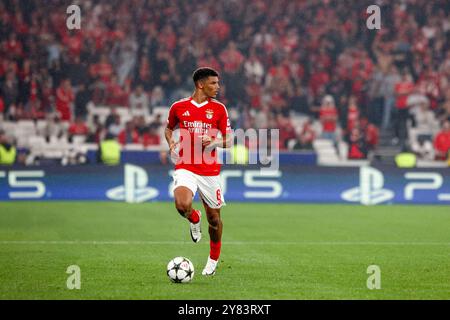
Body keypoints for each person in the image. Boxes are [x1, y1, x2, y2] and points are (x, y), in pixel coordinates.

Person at [165, 67, 232, 276]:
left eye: (218, 83)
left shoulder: (220, 109)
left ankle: (213, 259)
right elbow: (169, 128)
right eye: (213, 83)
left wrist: (214, 141)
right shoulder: (178, 107)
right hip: (185, 165)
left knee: (214, 220)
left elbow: (228, 140)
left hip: (209, 171)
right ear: (200, 84)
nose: (218, 87)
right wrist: (171, 142)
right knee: (181, 204)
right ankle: (194, 218)